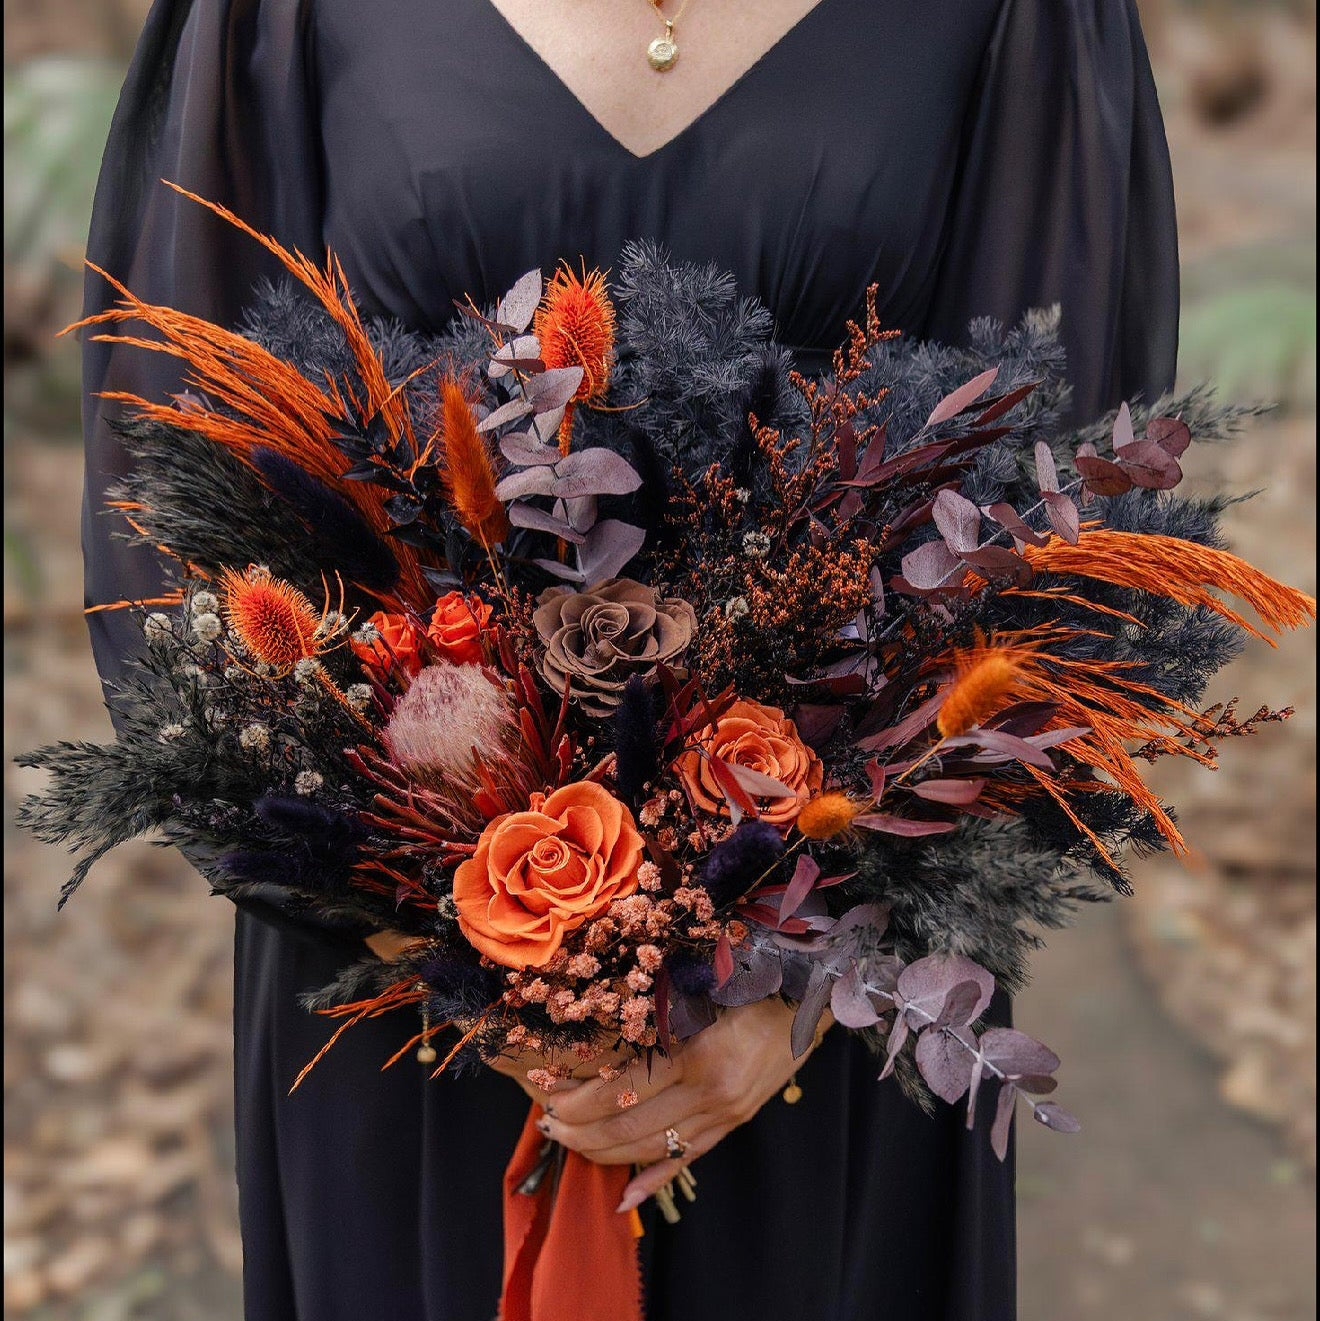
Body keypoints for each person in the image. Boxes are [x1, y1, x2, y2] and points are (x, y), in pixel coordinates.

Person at [80, 0, 1178, 1317]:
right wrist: (441, 926)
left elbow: (1064, 520)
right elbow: (180, 475)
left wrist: (806, 970)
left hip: (828, 1015)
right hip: (411, 1022)